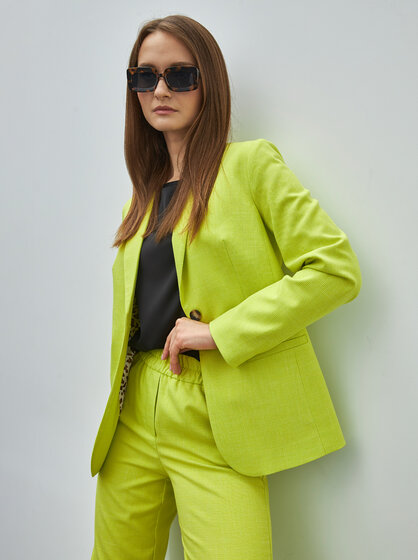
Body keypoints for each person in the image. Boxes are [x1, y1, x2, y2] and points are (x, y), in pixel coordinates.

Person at [90, 14, 362, 560]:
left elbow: (335, 269)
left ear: (208, 82)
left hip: (216, 408)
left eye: (179, 75)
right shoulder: (138, 202)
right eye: (144, 77)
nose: (160, 90)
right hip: (134, 409)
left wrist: (219, 332)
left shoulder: (250, 166)